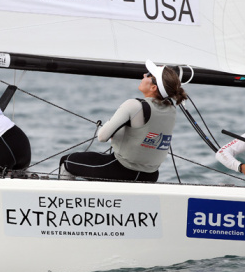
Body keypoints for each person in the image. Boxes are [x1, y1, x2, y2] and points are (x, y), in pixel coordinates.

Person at [59, 59, 188, 182]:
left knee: (67, 162)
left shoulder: (134, 105)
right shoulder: (172, 109)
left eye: (148, 75)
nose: (144, 74)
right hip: (151, 175)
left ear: (154, 87)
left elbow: (102, 137)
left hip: (121, 170)